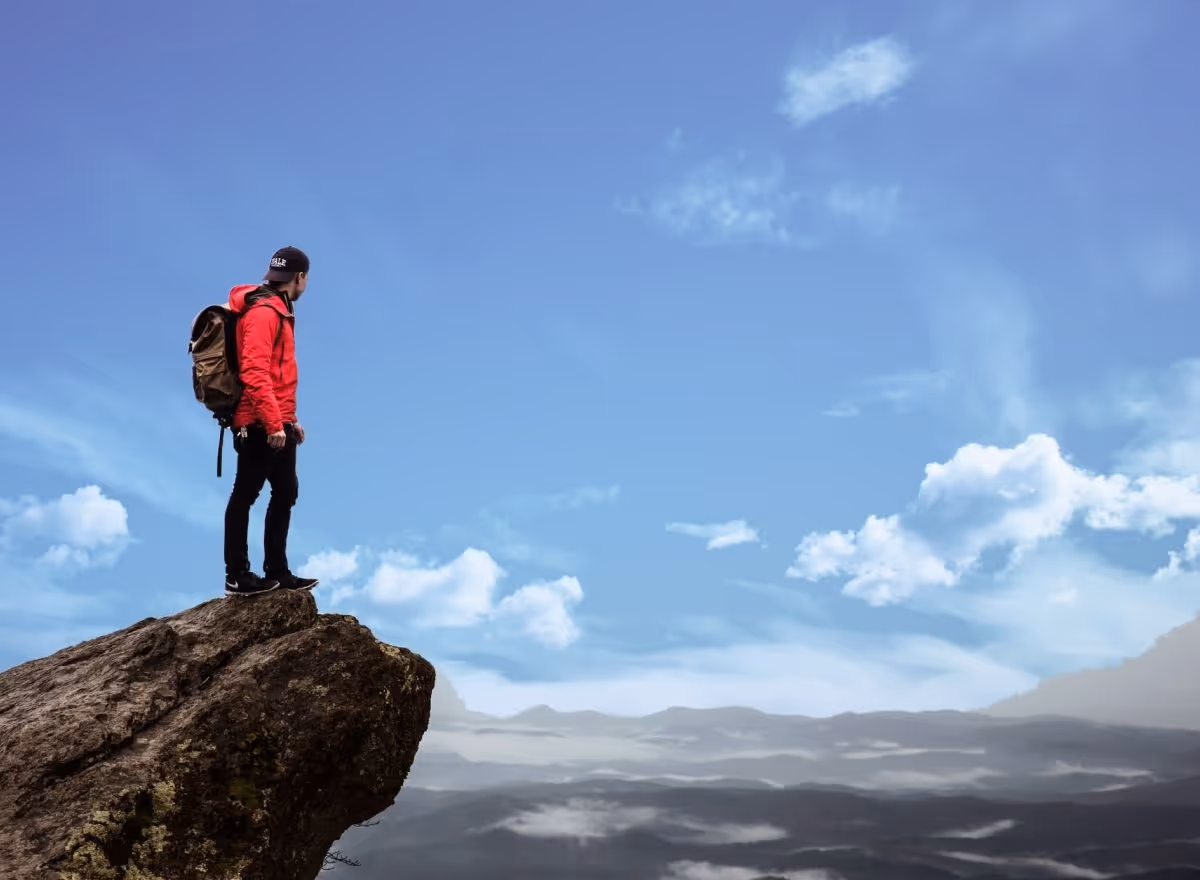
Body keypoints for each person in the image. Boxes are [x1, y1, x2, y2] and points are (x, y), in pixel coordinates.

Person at [222, 245, 320, 597]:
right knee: (245, 495)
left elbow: (279, 375)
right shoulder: (264, 312)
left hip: (278, 420)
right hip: (258, 422)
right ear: (301, 277)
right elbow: (254, 371)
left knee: (286, 492)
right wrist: (273, 422)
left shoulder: (281, 309)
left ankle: (277, 572)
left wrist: (290, 420)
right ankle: (237, 575)